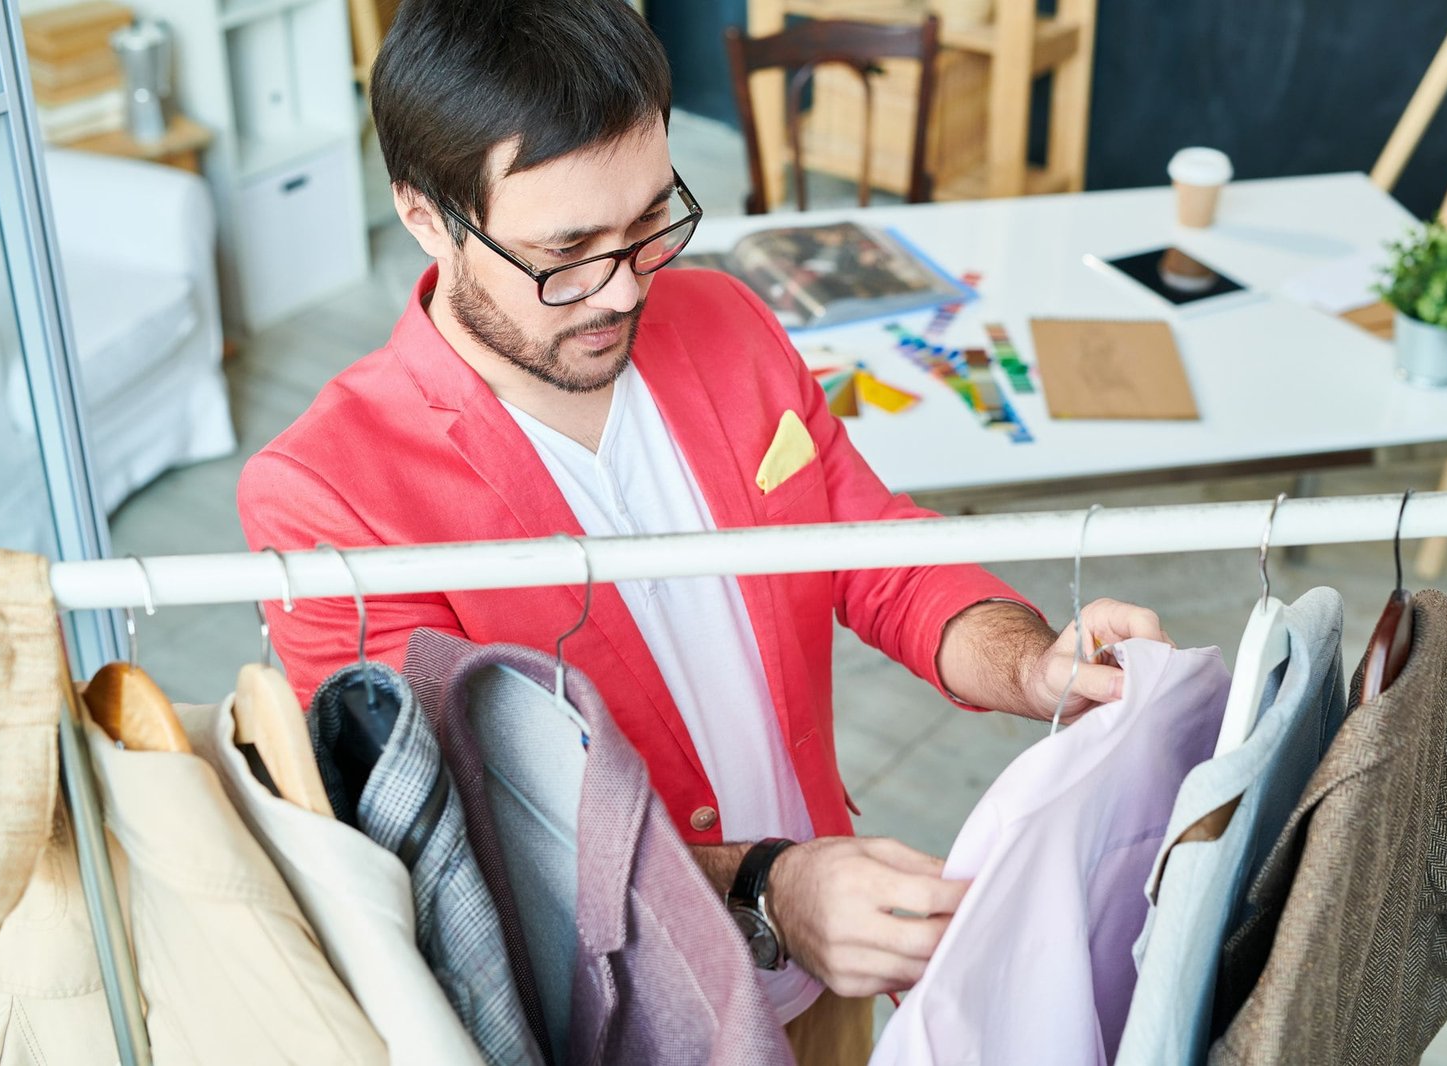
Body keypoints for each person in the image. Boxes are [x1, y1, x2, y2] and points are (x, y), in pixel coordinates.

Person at [237, 1, 1170, 1060]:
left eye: (648, 221)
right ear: (425, 216)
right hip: (622, 1018)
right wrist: (770, 887)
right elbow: (479, 851)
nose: (627, 285)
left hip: (825, 968)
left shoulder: (722, 316)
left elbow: (871, 550)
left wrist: (1031, 662)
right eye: (567, 252)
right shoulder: (326, 499)